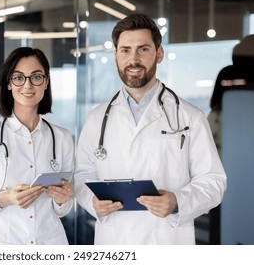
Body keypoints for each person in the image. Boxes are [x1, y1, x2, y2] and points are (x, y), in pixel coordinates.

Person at [74, 13, 227, 245]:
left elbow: (213, 182)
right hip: (115, 241)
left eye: (143, 49)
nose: (133, 59)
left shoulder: (189, 117)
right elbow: (82, 175)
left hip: (167, 241)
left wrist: (177, 201)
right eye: (125, 50)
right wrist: (92, 201)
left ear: (159, 54)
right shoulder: (97, 119)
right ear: (116, 55)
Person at [0, 47, 75, 245]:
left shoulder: (62, 137)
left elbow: (63, 209)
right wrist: (4, 199)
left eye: (36, 77)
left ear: (46, 82)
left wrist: (64, 199)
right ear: (9, 83)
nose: (27, 85)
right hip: (1, 244)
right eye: (19, 78)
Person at [207, 34, 254, 244]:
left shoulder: (226, 80)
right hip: (226, 182)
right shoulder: (227, 106)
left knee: (224, 233)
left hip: (225, 182)